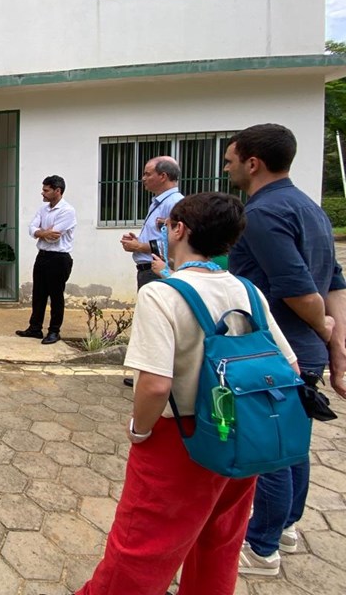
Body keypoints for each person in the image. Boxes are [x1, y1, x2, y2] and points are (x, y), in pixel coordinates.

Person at [77, 192, 299, 595]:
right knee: (220, 540)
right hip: (242, 432)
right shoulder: (248, 291)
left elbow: (156, 384)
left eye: (168, 226)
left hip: (181, 437)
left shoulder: (163, 294)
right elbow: (290, 366)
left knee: (142, 545)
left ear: (180, 229)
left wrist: (139, 431)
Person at [223, 123, 346, 576]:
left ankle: (262, 548)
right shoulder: (310, 208)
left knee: (266, 450)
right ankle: (286, 527)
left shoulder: (264, 213)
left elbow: (299, 289)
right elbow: (335, 282)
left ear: (253, 163)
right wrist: (334, 346)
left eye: (231, 160)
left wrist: (323, 325)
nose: (228, 167)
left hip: (274, 354)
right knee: (292, 445)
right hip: (305, 350)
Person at [16, 175, 76, 344]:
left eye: (46, 190)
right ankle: (35, 328)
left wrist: (40, 232)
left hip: (59, 258)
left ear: (58, 191)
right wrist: (43, 232)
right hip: (42, 256)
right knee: (38, 294)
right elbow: (32, 229)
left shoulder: (67, 211)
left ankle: (54, 331)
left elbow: (54, 237)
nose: (42, 193)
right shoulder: (43, 209)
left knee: (56, 296)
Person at [120, 156, 184, 290]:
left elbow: (177, 243)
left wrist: (140, 246)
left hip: (159, 271)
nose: (143, 178)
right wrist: (138, 241)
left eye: (147, 174)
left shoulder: (174, 203)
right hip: (149, 270)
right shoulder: (159, 202)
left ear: (163, 176)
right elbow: (160, 237)